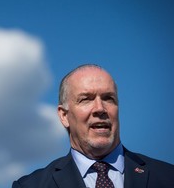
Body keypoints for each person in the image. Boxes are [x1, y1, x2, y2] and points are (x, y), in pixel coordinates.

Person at [12, 64, 174, 188]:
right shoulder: (31, 185)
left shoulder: (167, 177)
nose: (100, 109)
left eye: (108, 98)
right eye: (86, 99)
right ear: (64, 115)